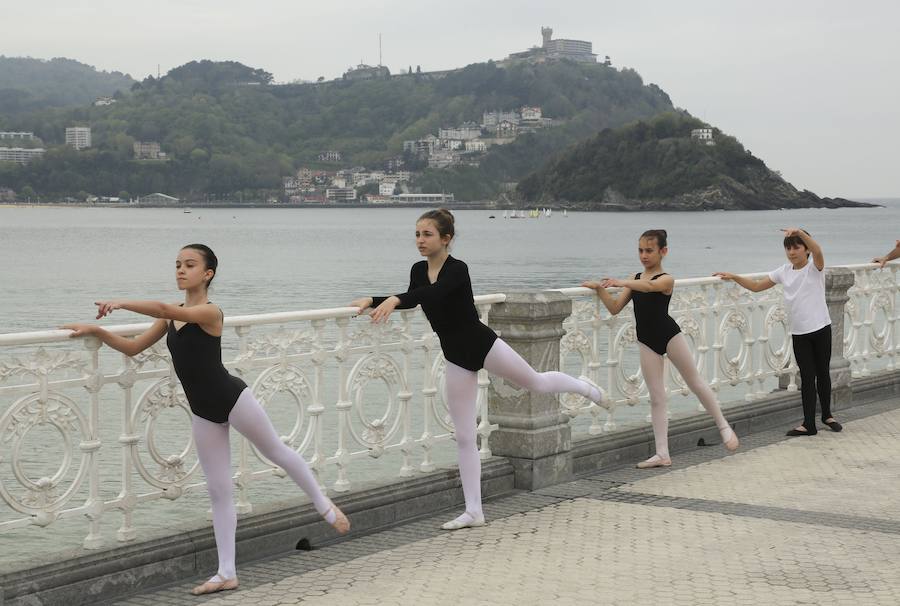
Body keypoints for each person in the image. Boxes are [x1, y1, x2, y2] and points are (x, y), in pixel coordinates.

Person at [62, 244, 349, 596]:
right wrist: (97, 332)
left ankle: (324, 506)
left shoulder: (211, 312)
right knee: (219, 491)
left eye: (190, 265)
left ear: (208, 273)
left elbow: (167, 307)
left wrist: (120, 302)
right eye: (178, 265)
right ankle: (226, 572)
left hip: (233, 399)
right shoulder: (171, 317)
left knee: (276, 451)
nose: (181, 270)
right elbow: (133, 348)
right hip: (202, 412)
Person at [351, 209, 606, 530]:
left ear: (446, 239)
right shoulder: (418, 269)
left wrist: (391, 298)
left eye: (427, 234)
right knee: (464, 436)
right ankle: (474, 511)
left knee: (537, 383)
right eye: (417, 234)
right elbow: (414, 300)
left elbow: (436, 292)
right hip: (455, 355)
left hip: (482, 344)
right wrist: (371, 300)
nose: (420, 240)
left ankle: (586, 388)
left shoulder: (458, 269)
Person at [583, 229, 739, 469]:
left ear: (663, 251)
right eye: (640, 250)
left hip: (669, 335)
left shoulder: (666, 279)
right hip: (646, 340)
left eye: (649, 250)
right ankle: (662, 454)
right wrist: (600, 288)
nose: (644, 255)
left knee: (695, 381)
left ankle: (723, 426)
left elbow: (648, 287)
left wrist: (622, 282)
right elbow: (615, 308)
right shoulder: (635, 277)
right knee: (657, 397)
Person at [714, 228, 842, 436]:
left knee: (822, 373)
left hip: (820, 328)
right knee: (807, 378)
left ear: (806, 249)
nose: (792, 252)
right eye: (788, 248)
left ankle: (827, 415)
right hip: (799, 333)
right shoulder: (783, 271)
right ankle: (809, 424)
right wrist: (734, 276)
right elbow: (756, 287)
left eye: (796, 247)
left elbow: (818, 250)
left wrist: (800, 232)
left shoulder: (814, 268)